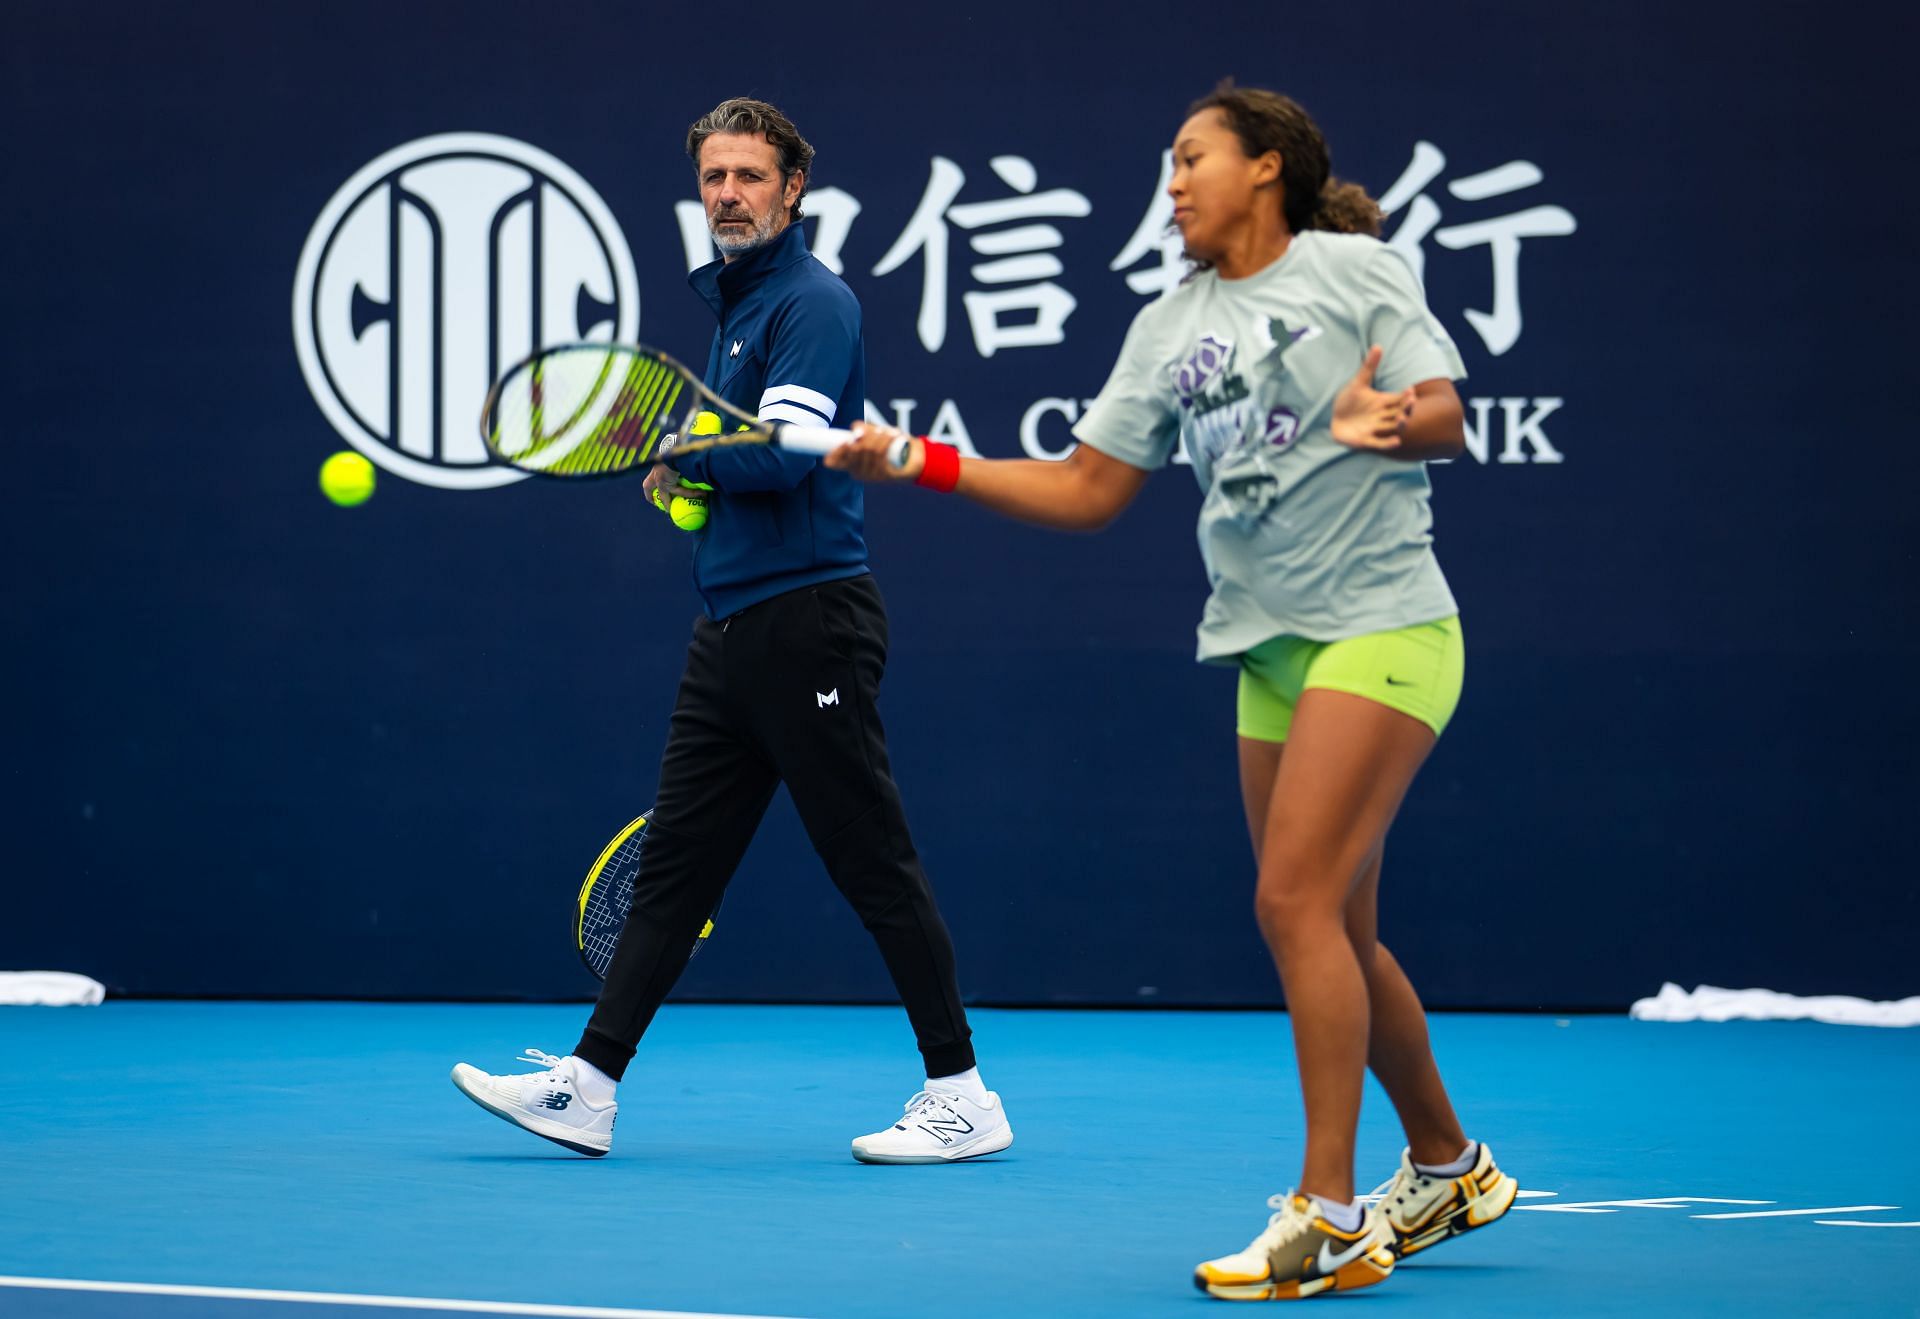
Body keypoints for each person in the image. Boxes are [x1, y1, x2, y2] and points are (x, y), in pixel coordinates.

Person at [827, 83, 1515, 1298]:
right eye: (1170, 163)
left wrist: (1379, 420)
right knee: (1340, 928)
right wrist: (920, 459)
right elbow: (1090, 488)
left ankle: (1330, 1212)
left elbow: (1451, 418)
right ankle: (1448, 1162)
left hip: (1387, 626)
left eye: (1193, 159)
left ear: (1266, 169)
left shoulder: (1357, 272)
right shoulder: (1168, 323)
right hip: (1264, 648)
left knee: (1291, 899)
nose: (1174, 183)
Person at [452, 97, 1011, 1166]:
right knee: (677, 865)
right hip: (733, 633)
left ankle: (961, 1091)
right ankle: (590, 1083)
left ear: (792, 188)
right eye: (714, 177)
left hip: (811, 626)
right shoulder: (739, 310)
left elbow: (790, 450)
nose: (729, 195)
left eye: (751, 176)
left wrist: (683, 448)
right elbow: (737, 458)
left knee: (870, 859)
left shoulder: (813, 301)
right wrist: (685, 475)